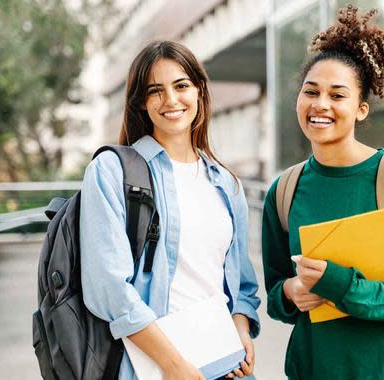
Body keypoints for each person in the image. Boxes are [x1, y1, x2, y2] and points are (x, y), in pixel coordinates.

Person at [261, 6, 384, 380]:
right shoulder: (284, 191)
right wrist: (292, 292)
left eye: (336, 95)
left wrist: (342, 285)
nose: (320, 104)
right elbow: (276, 295)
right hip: (314, 369)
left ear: (360, 109)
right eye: (311, 92)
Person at [80, 41, 260, 380]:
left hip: (227, 365)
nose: (171, 101)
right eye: (155, 91)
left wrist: (241, 327)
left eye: (181, 86)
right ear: (141, 103)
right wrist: (173, 365)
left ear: (199, 91)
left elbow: (241, 284)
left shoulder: (226, 183)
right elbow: (109, 288)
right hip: (154, 369)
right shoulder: (112, 171)